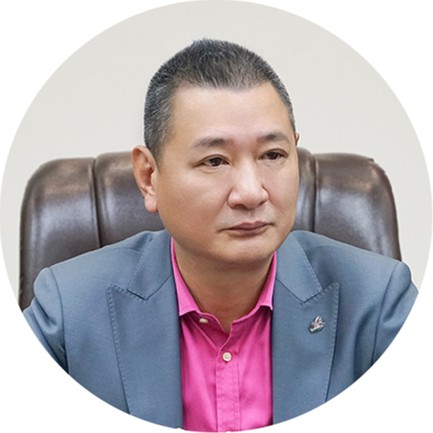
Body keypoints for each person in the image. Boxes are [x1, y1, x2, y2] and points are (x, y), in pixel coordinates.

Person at [23, 39, 417, 432]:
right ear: (149, 176)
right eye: (215, 161)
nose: (251, 192)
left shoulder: (378, 302)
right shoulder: (69, 311)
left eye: (273, 155)